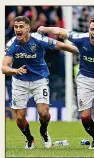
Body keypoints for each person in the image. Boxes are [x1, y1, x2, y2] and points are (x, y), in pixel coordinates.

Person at [37, 17, 94, 149]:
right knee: (85, 117)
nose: (93, 32)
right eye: (92, 29)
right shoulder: (81, 38)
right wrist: (44, 29)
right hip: (84, 81)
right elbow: (60, 31)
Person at [2, 16, 78, 149]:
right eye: (16, 27)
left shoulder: (38, 39)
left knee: (43, 113)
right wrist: (15, 71)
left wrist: (80, 51)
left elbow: (59, 45)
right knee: (19, 118)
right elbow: (4, 67)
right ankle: (29, 139)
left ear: (28, 28)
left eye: (21, 27)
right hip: (19, 82)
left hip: (39, 80)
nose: (18, 30)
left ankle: (44, 132)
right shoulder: (12, 44)